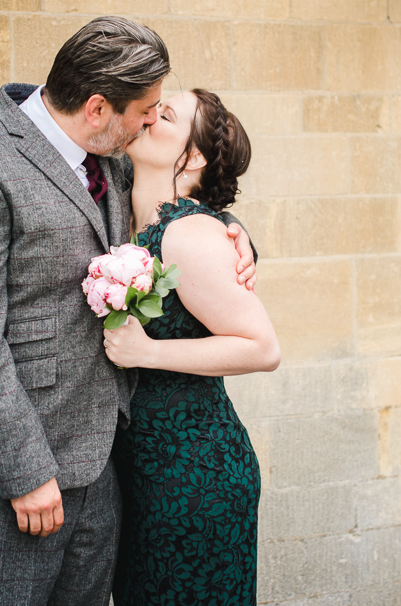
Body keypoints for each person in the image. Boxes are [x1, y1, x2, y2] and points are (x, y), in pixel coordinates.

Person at [0, 17, 257, 605]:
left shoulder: (114, 158)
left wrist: (232, 230)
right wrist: (25, 474)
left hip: (105, 469)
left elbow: (179, 207)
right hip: (17, 474)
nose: (150, 121)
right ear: (98, 108)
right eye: (145, 110)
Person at [102, 89, 281, 605]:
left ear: (194, 157)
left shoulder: (190, 235)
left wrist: (149, 353)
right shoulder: (132, 216)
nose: (150, 116)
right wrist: (231, 223)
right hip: (141, 472)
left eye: (167, 115)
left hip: (195, 474)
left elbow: (262, 347)